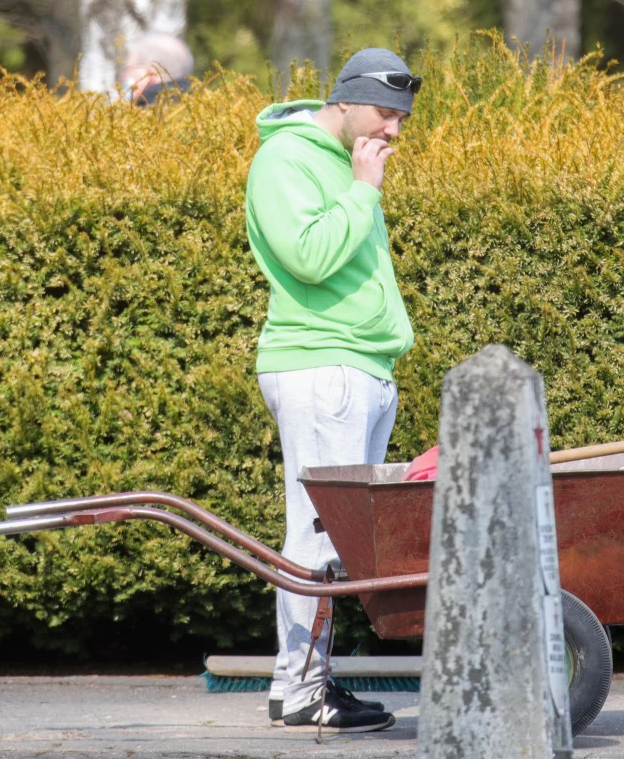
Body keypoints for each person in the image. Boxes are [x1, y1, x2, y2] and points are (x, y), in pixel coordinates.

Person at [245, 47, 421, 733]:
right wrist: (363, 188)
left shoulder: (344, 161)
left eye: (402, 118)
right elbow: (310, 258)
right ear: (344, 100)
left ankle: (300, 683)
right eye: (384, 113)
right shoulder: (285, 159)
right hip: (322, 367)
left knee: (334, 539)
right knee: (318, 537)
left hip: (359, 367)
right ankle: (301, 692)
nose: (393, 130)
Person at [118, 32, 194, 105]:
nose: (123, 77)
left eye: (128, 68)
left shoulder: (145, 109)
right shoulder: (194, 104)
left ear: (151, 73)